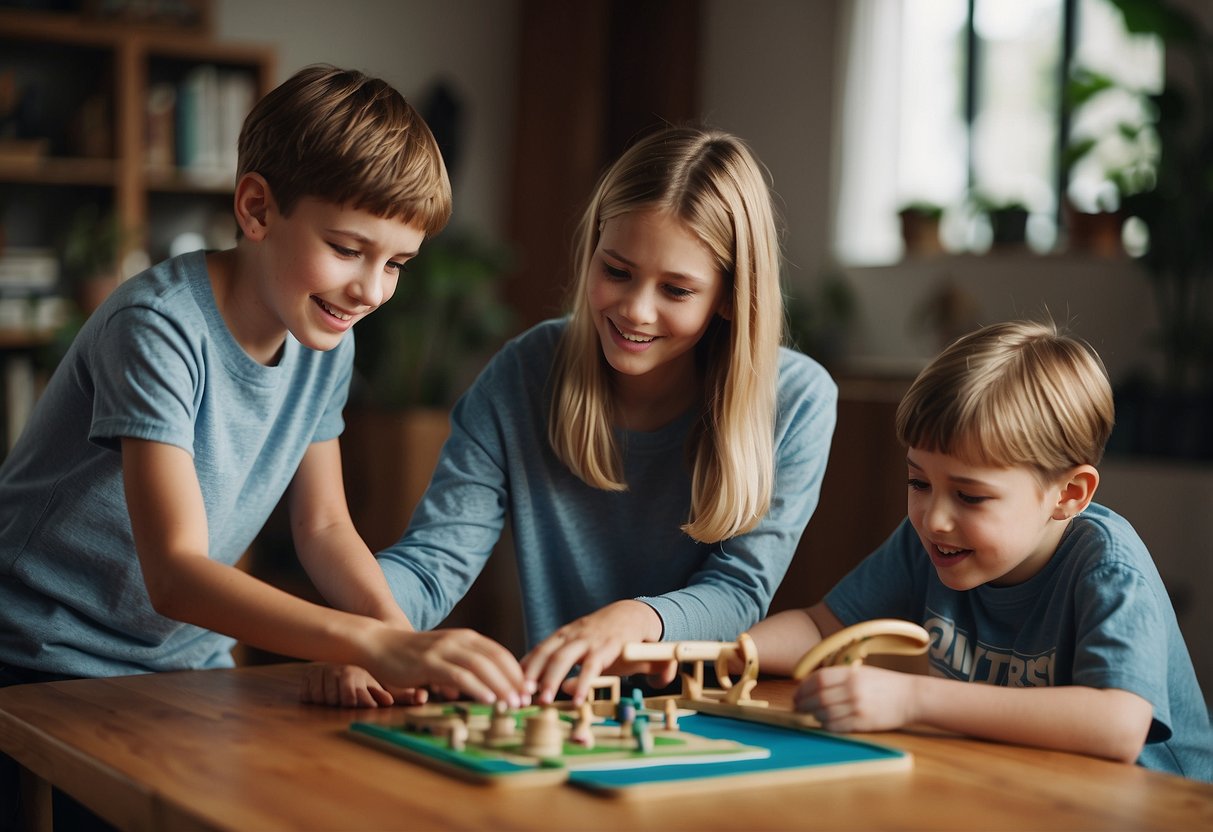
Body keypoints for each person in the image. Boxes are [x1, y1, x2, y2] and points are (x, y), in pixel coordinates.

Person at [0, 64, 527, 706]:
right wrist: (365, 643)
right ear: (257, 209)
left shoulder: (326, 336)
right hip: (38, 654)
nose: (371, 289)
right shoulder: (157, 326)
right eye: (345, 248)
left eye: (396, 264)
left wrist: (397, 645)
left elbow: (326, 526)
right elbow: (174, 573)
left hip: (184, 660)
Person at [316, 125, 837, 707]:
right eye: (616, 271)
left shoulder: (797, 398)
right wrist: (365, 632)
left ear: (728, 297)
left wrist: (633, 620)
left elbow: (740, 593)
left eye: (677, 290)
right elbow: (435, 559)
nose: (636, 310)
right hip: (557, 713)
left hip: (702, 714)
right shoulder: (524, 373)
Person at [746, 320, 1212, 781]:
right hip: (1024, 789)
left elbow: (1116, 725)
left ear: (1069, 493)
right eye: (918, 482)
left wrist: (911, 699)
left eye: (970, 496)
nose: (933, 518)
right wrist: (721, 653)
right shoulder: (928, 544)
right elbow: (820, 627)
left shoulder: (1106, 566)